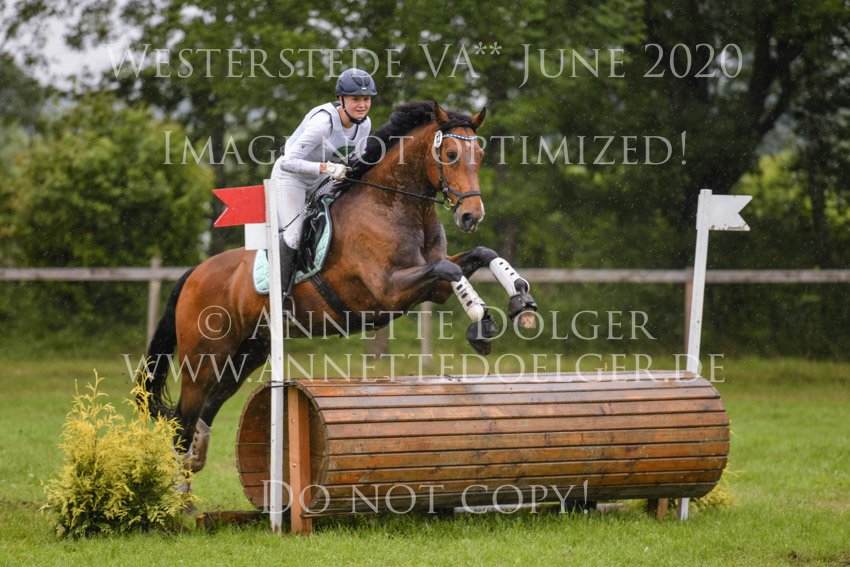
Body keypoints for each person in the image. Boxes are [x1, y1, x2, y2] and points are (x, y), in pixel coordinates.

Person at [270, 68, 376, 299]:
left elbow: (357, 160)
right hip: (291, 177)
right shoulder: (323, 123)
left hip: (323, 178)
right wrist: (326, 168)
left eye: (366, 99)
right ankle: (279, 296)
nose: (362, 105)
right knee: (294, 235)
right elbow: (288, 162)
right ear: (341, 99)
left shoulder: (365, 124)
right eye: (355, 99)